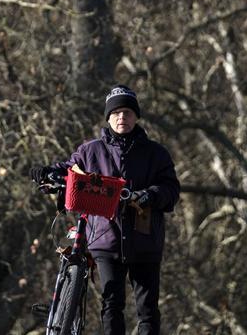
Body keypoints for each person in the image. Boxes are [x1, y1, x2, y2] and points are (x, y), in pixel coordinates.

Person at [29, 84, 180, 335]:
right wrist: (46, 172)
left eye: (127, 112)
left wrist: (149, 195)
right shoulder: (91, 151)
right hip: (105, 239)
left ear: (136, 117)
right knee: (111, 304)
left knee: (148, 310)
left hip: (145, 241)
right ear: (108, 117)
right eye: (116, 113)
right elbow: (69, 169)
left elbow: (171, 189)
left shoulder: (156, 153)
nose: (122, 117)